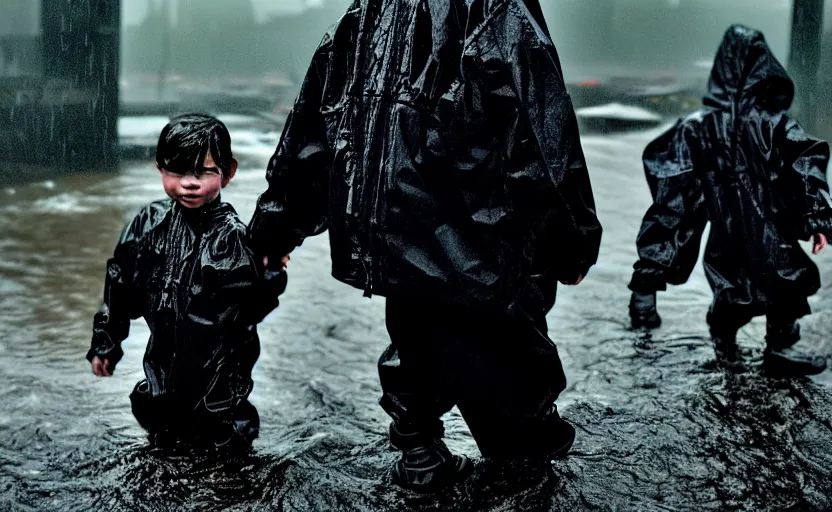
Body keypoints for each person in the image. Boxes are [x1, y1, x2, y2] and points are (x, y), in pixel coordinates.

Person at [249, 0, 602, 492]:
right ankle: (512, 471)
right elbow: (537, 119)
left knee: (416, 339)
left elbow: (317, 123)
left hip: (396, 233)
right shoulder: (495, 7)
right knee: (507, 364)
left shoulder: (367, 12)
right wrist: (571, 237)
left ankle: (421, 457)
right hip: (475, 233)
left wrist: (278, 224)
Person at [628, 25, 832, 376]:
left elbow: (672, 201)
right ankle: (767, 349)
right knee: (779, 283)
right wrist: (817, 216)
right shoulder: (772, 123)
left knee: (742, 286)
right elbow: (806, 163)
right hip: (769, 232)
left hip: (730, 234)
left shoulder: (698, 127)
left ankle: (735, 345)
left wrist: (647, 279)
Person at [87, 114, 286, 449]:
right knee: (160, 412)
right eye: (177, 171)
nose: (189, 183)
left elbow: (254, 307)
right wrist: (107, 341)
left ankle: (228, 473)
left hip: (222, 359)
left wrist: (272, 272)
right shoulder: (149, 223)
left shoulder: (233, 237)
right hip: (164, 350)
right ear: (160, 169)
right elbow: (120, 285)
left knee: (220, 425)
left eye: (203, 172)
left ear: (228, 172)